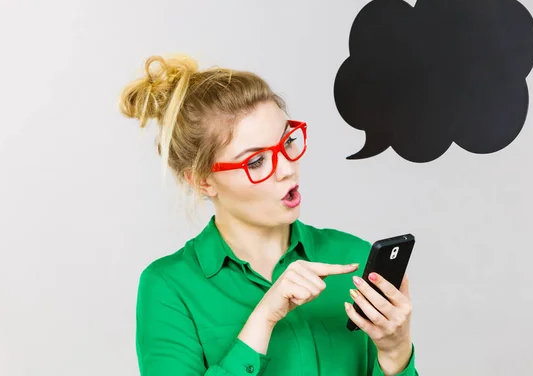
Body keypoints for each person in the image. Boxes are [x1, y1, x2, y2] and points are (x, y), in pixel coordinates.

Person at [119, 54, 418, 376]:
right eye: (256, 162)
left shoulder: (354, 258)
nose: (288, 169)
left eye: (287, 142)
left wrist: (396, 351)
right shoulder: (169, 286)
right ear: (202, 181)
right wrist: (263, 320)